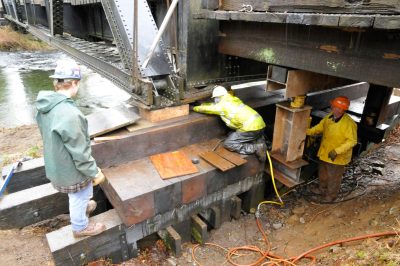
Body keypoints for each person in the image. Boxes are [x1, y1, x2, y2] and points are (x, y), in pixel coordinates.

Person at [35, 59, 106, 238]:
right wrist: (94, 172)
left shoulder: (46, 106)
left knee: (78, 195)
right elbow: (80, 152)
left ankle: (82, 207)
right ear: (74, 83)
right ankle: (80, 226)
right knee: (79, 194)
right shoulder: (70, 114)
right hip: (70, 169)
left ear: (56, 83)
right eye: (78, 83)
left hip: (56, 163)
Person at [193, 86, 267, 160]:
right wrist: (203, 104)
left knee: (229, 144)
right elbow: (214, 105)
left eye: (215, 97)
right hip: (259, 124)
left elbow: (207, 109)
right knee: (231, 134)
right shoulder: (232, 99)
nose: (215, 100)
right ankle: (260, 140)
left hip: (250, 128)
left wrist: (194, 108)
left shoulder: (223, 106)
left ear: (218, 97)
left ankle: (256, 148)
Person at [306, 96, 357, 202]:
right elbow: (320, 127)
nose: (334, 109)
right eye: (334, 106)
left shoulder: (349, 124)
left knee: (334, 178)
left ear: (342, 109)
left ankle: (331, 196)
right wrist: (308, 132)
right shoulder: (329, 117)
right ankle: (322, 190)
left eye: (337, 108)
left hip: (337, 157)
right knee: (323, 174)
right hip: (325, 152)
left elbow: (352, 141)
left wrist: (336, 151)